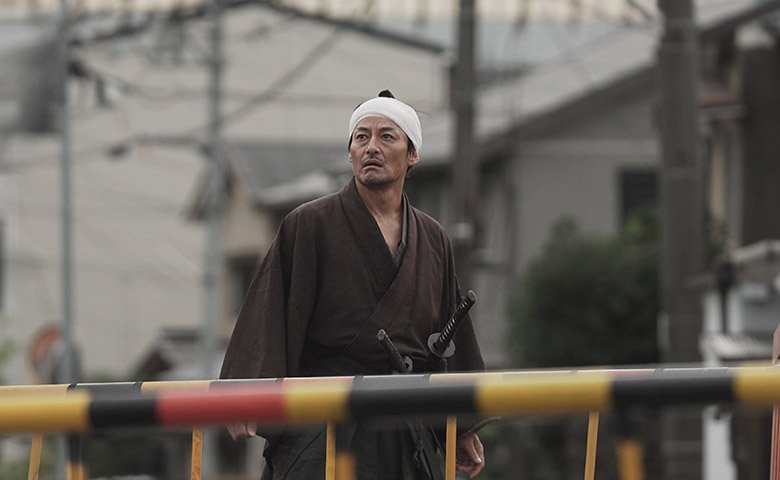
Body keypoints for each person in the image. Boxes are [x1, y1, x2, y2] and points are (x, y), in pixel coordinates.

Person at [220, 90, 486, 479]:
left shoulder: (433, 238)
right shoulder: (309, 224)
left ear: (412, 154)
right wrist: (247, 392)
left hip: (405, 426)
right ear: (350, 154)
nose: (371, 148)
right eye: (361, 137)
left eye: (387, 137)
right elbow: (271, 311)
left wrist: (461, 427)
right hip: (322, 422)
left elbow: (451, 336)